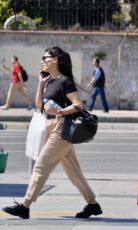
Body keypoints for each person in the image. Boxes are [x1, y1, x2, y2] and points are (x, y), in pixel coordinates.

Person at [2, 47, 102, 219]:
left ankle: (25, 206)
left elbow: (78, 104)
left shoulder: (65, 82)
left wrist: (60, 112)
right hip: (49, 126)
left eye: (45, 58)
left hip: (61, 129)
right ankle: (93, 204)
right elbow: (39, 105)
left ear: (55, 60)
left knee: (40, 166)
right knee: (73, 171)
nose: (42, 61)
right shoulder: (48, 81)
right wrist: (41, 84)